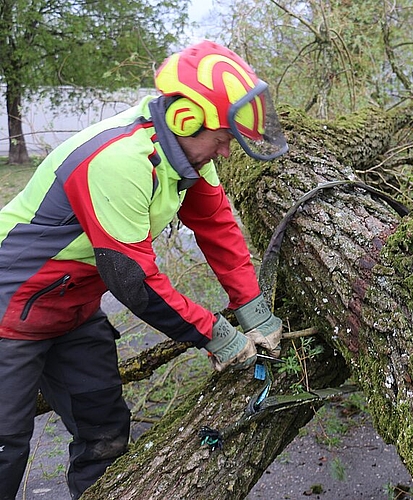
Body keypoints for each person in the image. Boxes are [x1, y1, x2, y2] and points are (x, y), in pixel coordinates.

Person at [0, 40, 288, 499]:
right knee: (6, 443)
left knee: (105, 432)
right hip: (10, 307)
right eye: (222, 140)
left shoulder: (187, 156)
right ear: (185, 119)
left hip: (73, 308)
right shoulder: (117, 160)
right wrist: (215, 333)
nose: (226, 153)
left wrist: (253, 309)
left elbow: (217, 228)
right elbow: (133, 280)